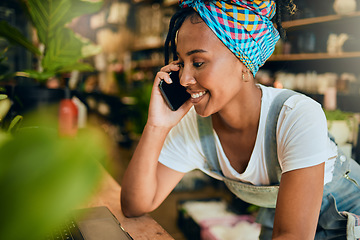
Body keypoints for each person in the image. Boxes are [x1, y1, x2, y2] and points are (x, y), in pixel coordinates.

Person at [121, 0, 360, 239]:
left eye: (198, 62)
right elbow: (135, 205)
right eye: (181, 63)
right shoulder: (193, 126)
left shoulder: (295, 115)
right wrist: (157, 126)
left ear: (244, 64)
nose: (183, 78)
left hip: (348, 222)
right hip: (281, 220)